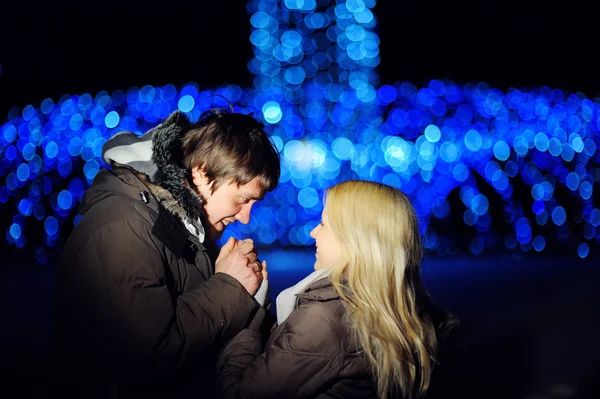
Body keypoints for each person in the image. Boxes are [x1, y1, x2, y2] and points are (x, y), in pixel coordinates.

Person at [51, 109, 281, 399]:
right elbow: (146, 357)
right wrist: (230, 287)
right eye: (243, 199)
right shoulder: (124, 226)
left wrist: (246, 296)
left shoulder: (188, 229)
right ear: (201, 173)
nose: (246, 217)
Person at [217, 180, 456, 399]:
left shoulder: (323, 322)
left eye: (323, 224)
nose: (313, 232)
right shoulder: (396, 309)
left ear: (354, 240)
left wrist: (244, 309)